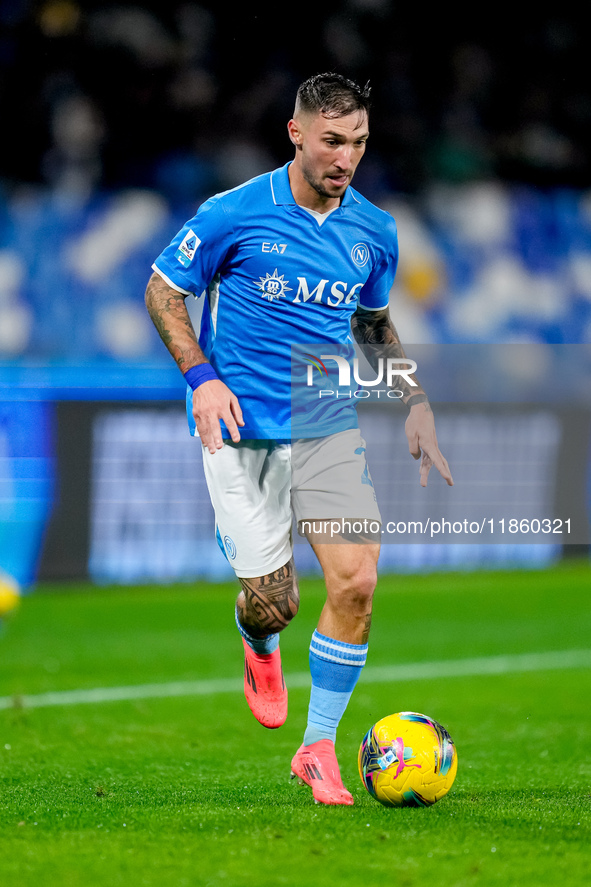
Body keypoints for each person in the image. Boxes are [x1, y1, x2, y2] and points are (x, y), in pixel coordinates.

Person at [145, 72, 453, 806]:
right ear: (296, 134)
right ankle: (258, 642)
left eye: (358, 143)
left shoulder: (373, 231)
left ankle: (317, 747)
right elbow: (163, 289)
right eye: (331, 141)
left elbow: (372, 323)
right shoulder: (233, 212)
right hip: (241, 432)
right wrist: (201, 379)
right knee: (273, 602)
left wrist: (413, 398)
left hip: (325, 425)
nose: (345, 157)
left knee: (356, 580)